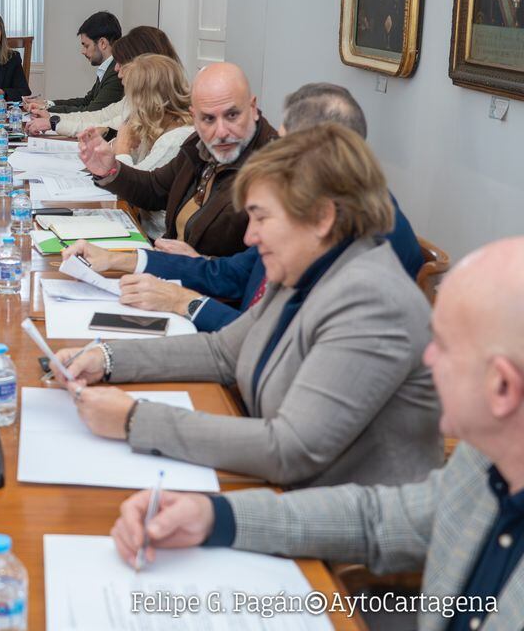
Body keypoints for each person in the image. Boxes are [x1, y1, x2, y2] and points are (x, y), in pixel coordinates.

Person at [109, 236, 524, 631]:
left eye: (444, 346)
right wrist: (213, 517)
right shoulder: (483, 462)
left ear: (502, 388)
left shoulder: (368, 294)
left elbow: (291, 448)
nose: (427, 358)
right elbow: (377, 519)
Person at [53, 124, 442, 488]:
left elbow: (288, 449)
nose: (251, 237)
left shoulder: (372, 302)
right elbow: (223, 351)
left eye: (262, 218)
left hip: (332, 517)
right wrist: (106, 358)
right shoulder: (307, 265)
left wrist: (135, 420)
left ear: (322, 218)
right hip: (278, 484)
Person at [65, 82, 425, 330]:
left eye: (287, 146)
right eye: (208, 118)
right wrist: (121, 259)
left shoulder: (364, 237)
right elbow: (236, 272)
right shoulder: (322, 199)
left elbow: (269, 338)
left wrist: (184, 302)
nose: (279, 154)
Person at [79, 62, 278, 256]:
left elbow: (259, 266)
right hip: (169, 264)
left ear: (252, 107)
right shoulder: (198, 142)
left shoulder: (275, 168)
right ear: (194, 116)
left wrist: (197, 263)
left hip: (193, 275)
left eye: (232, 115)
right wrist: (110, 169)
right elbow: (155, 188)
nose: (221, 132)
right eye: (208, 118)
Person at [25, 26, 183, 137]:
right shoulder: (134, 100)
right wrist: (52, 118)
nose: (117, 70)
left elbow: (103, 124)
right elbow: (99, 116)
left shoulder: (162, 119)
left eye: (122, 63)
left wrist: (54, 122)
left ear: (144, 66)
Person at [23, 11, 124, 115]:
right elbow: (86, 101)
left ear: (103, 43)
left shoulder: (116, 72)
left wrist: (45, 109)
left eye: (86, 46)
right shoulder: (108, 67)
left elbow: (91, 112)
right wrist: (47, 104)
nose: (83, 51)